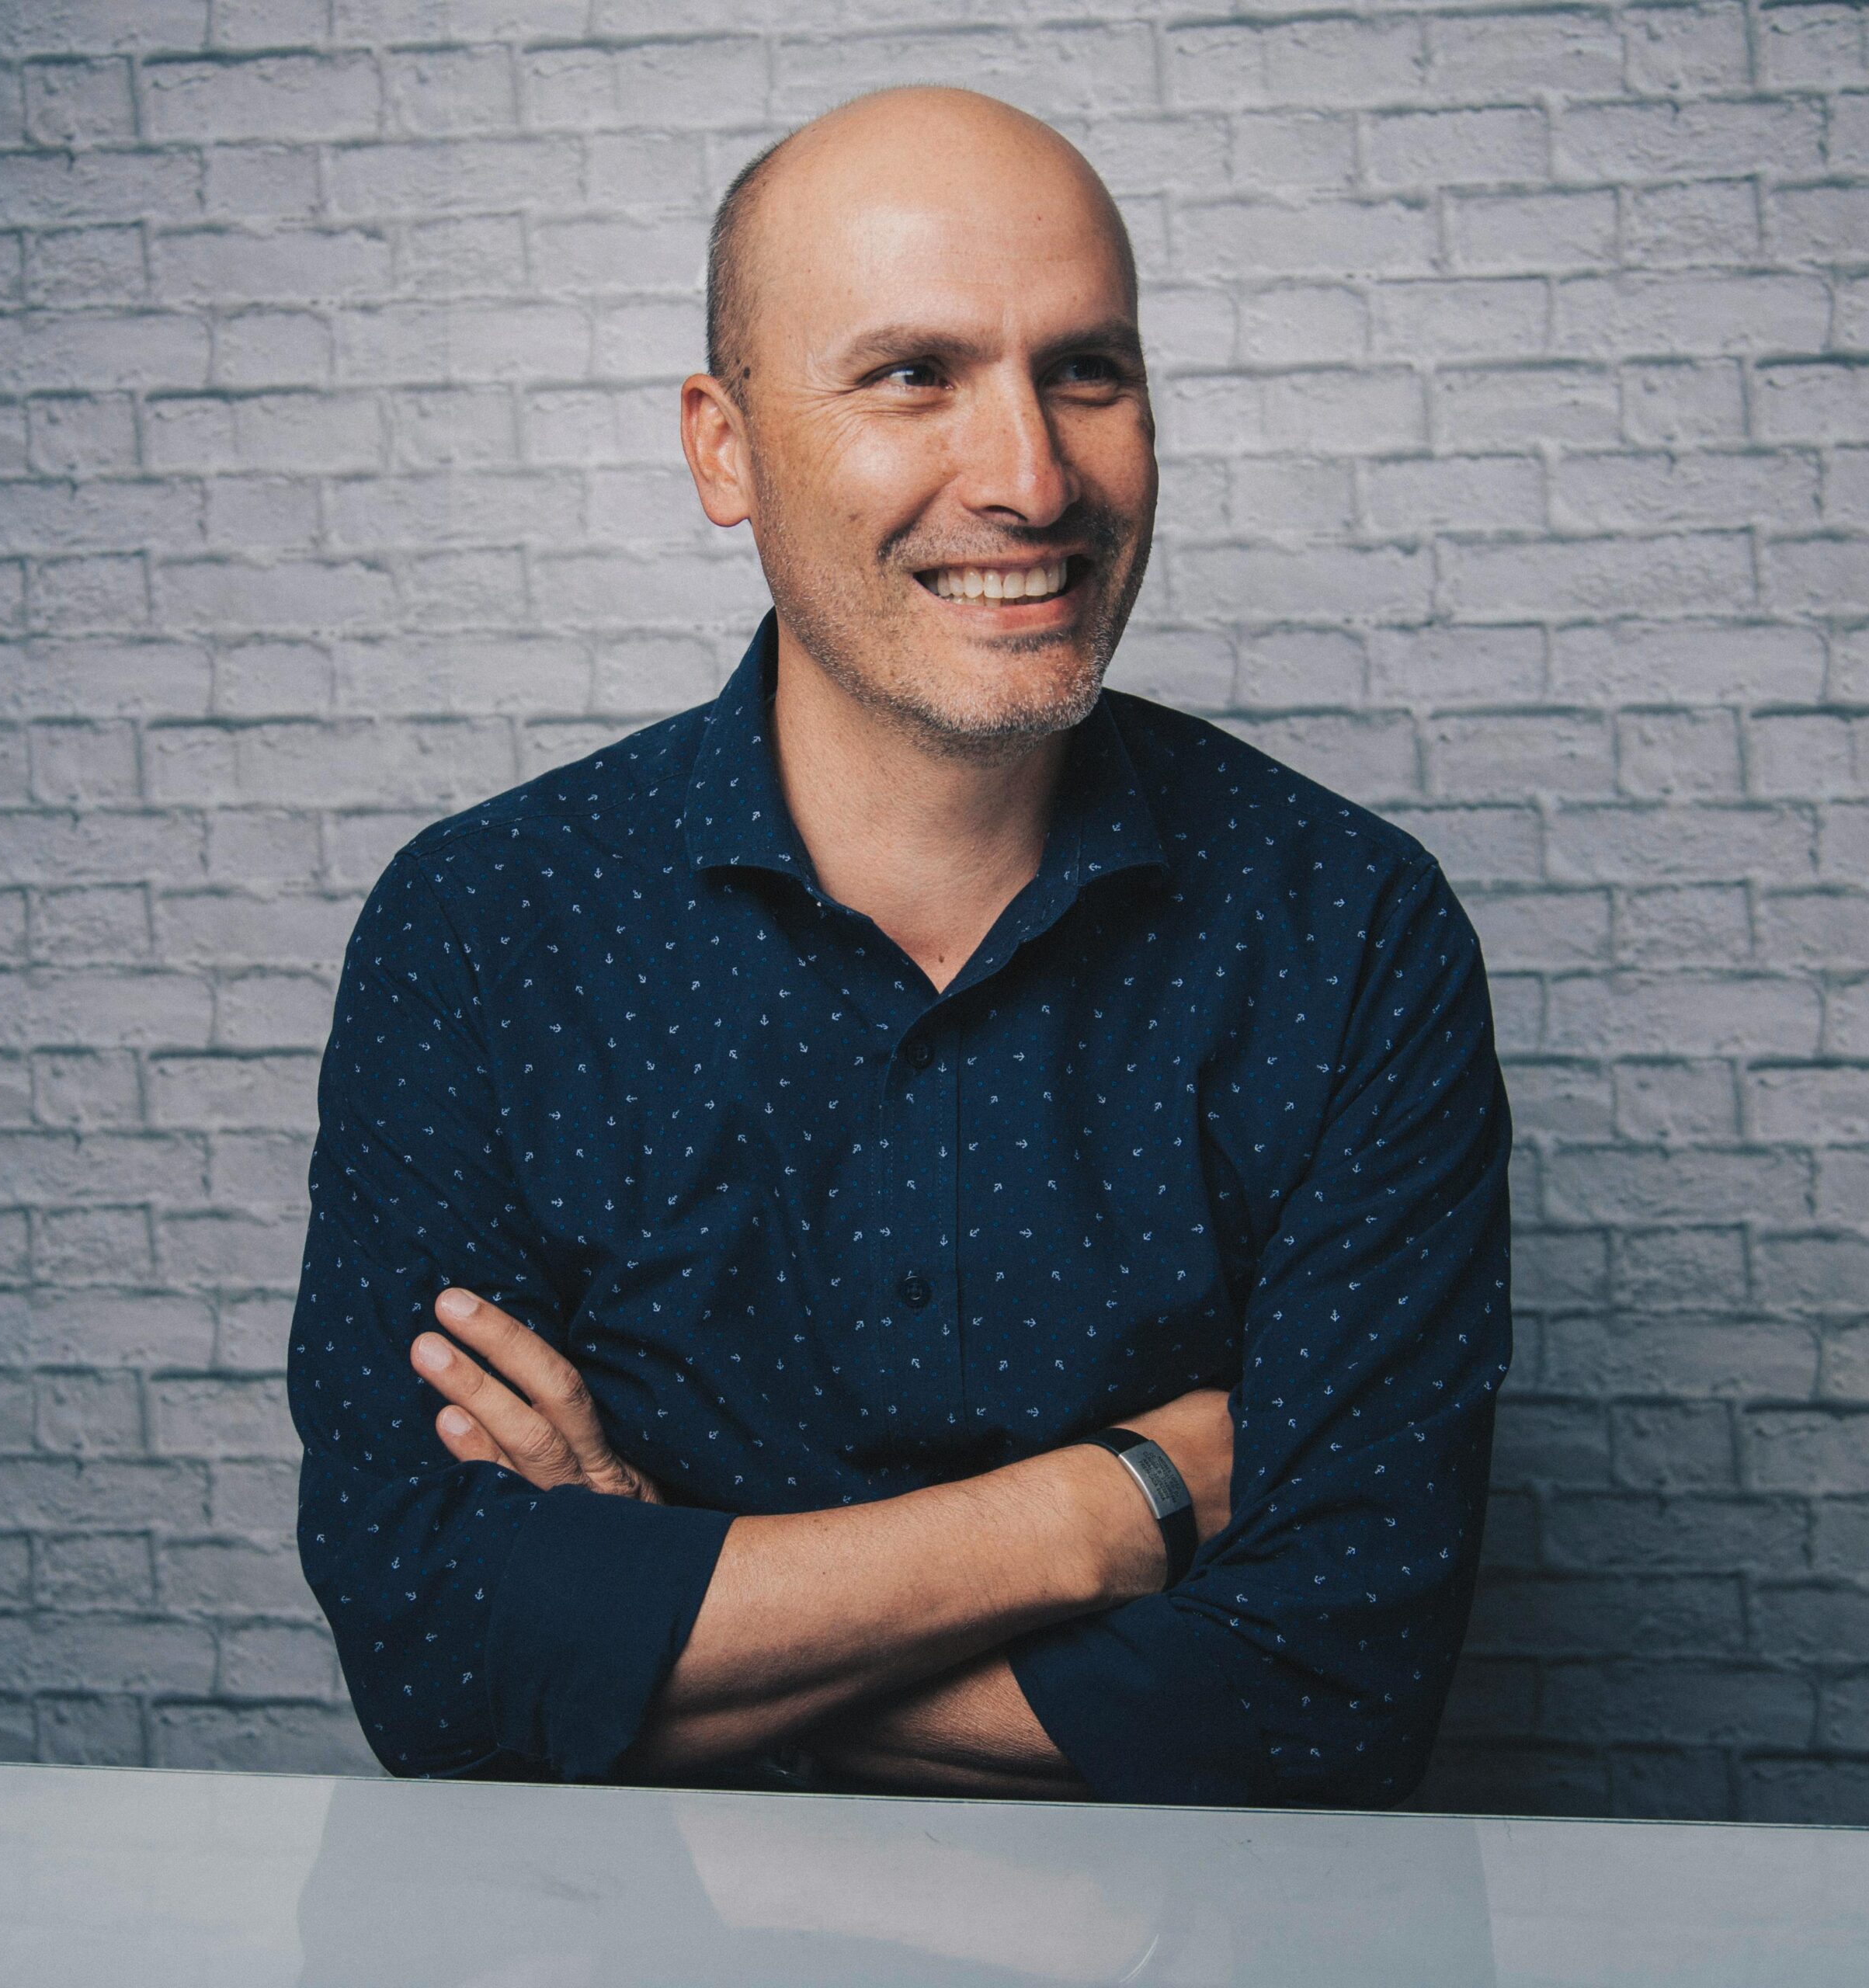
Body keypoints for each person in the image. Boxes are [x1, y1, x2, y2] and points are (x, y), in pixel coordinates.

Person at [288, 85, 1512, 1809]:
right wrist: (1107, 1510)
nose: (1029, 478)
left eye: (1085, 371)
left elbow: (1327, 1704)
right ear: (723, 449)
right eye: (914, 375)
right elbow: (432, 1657)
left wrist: (648, 1611)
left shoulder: (1350, 929)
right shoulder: (484, 928)